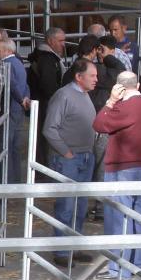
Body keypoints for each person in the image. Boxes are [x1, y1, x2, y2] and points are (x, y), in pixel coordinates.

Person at [92, 72, 141, 280]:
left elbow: (99, 124)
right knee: (140, 216)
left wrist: (111, 101)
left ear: (118, 87)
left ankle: (118, 268)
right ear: (138, 85)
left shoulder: (123, 107)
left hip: (121, 168)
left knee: (118, 218)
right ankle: (138, 262)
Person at [42, 59, 100, 264]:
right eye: (92, 75)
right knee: (67, 204)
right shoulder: (64, 95)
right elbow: (50, 128)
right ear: (79, 76)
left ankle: (73, 246)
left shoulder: (84, 95)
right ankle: (62, 251)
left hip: (84, 156)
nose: (96, 79)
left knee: (80, 204)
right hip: (70, 158)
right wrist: (65, 152)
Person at [0, 37, 31, 183]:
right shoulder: (18, 63)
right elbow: (25, 85)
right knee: (15, 148)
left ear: (7, 50)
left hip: (10, 108)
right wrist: (25, 99)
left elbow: (12, 85)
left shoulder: (6, 64)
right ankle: (16, 179)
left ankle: (7, 180)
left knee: (6, 147)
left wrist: (20, 99)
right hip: (19, 108)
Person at [27, 28, 66, 155]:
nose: (63, 44)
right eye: (60, 40)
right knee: (43, 142)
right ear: (50, 41)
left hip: (43, 104)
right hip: (45, 106)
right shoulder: (47, 60)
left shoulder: (45, 57)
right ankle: (42, 171)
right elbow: (48, 85)